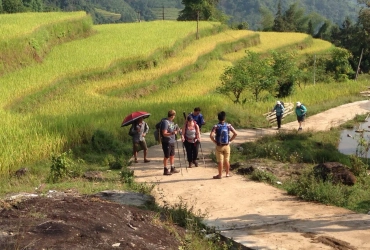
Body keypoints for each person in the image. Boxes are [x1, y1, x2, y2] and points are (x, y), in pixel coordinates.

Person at [209, 111, 237, 179]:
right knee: (227, 160)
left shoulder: (216, 126)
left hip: (219, 146)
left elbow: (211, 135)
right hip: (227, 146)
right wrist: (229, 141)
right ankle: (227, 173)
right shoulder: (228, 125)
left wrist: (215, 142)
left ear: (218, 118)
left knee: (220, 161)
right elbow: (235, 133)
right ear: (224, 118)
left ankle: (220, 175)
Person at [160, 110, 180, 175]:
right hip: (166, 142)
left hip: (172, 141)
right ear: (172, 116)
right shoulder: (165, 122)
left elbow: (172, 130)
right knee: (167, 156)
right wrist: (172, 133)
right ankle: (165, 169)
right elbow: (164, 133)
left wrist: (176, 131)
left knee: (172, 155)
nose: (174, 117)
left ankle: (172, 168)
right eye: (174, 115)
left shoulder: (171, 122)